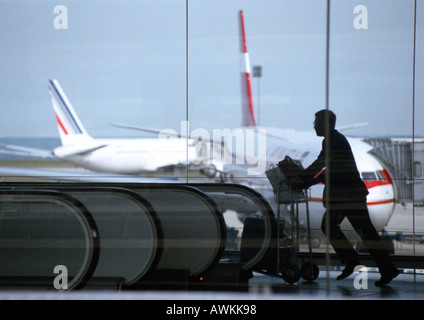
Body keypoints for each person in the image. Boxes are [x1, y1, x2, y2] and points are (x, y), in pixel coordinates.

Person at [292, 109, 399, 286]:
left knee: (341, 229)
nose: (314, 126)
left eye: (316, 122)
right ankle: (374, 266)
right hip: (348, 196)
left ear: (324, 124)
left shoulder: (332, 141)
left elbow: (321, 164)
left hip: (347, 197)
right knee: (363, 233)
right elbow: (326, 170)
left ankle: (357, 263)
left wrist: (302, 178)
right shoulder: (333, 139)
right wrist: (305, 180)